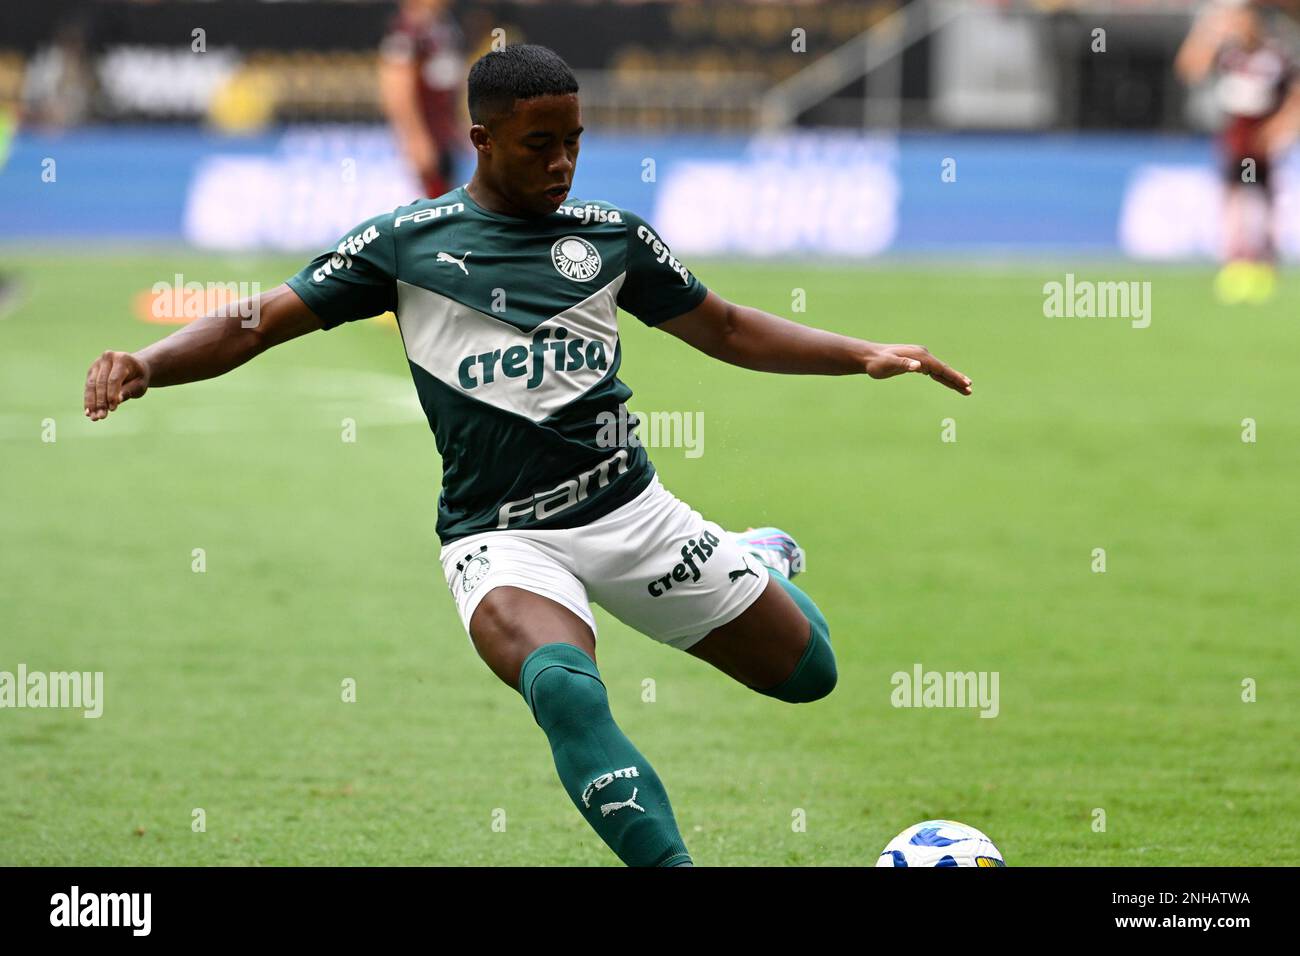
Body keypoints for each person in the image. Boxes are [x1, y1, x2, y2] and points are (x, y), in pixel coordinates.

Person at [83, 44, 972, 867]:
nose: (561, 162)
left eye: (574, 142)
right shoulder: (405, 245)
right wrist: (146, 365)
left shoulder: (612, 236)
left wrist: (860, 352)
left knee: (810, 675)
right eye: (539, 143)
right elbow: (261, 320)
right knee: (567, 690)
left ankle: (758, 558)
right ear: (480, 139)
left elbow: (727, 327)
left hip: (632, 511)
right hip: (500, 537)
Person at [1176, 0, 1300, 302]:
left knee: (1264, 198)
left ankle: (1265, 261)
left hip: (1264, 138)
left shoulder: (1274, 54)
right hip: (1236, 137)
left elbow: (1295, 92)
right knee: (1234, 198)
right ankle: (1235, 260)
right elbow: (1189, 69)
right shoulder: (1227, 53)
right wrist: (1207, 32)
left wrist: (1283, 125)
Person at [379, 0, 467, 198]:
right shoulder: (405, 32)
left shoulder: (444, 26)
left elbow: (450, 85)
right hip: (428, 135)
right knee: (435, 205)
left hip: (446, 136)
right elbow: (397, 90)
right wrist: (415, 138)